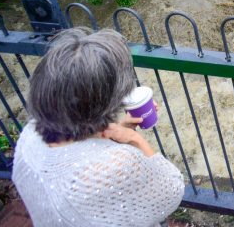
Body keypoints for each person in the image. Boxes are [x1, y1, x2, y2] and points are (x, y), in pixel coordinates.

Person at [12, 28, 185, 226]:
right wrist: (134, 139)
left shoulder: (29, 137)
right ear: (108, 100)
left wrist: (109, 135)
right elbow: (172, 191)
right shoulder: (117, 164)